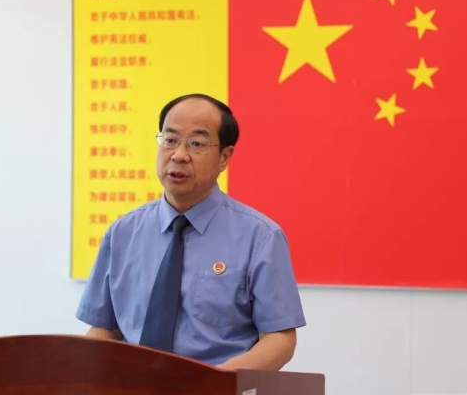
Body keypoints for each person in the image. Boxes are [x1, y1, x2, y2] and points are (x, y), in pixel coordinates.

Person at [75, 93, 306, 371]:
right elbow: (104, 328)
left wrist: (215, 384)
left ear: (224, 157)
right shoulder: (122, 233)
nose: (179, 155)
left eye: (196, 144)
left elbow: (279, 339)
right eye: (170, 140)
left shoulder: (260, 237)